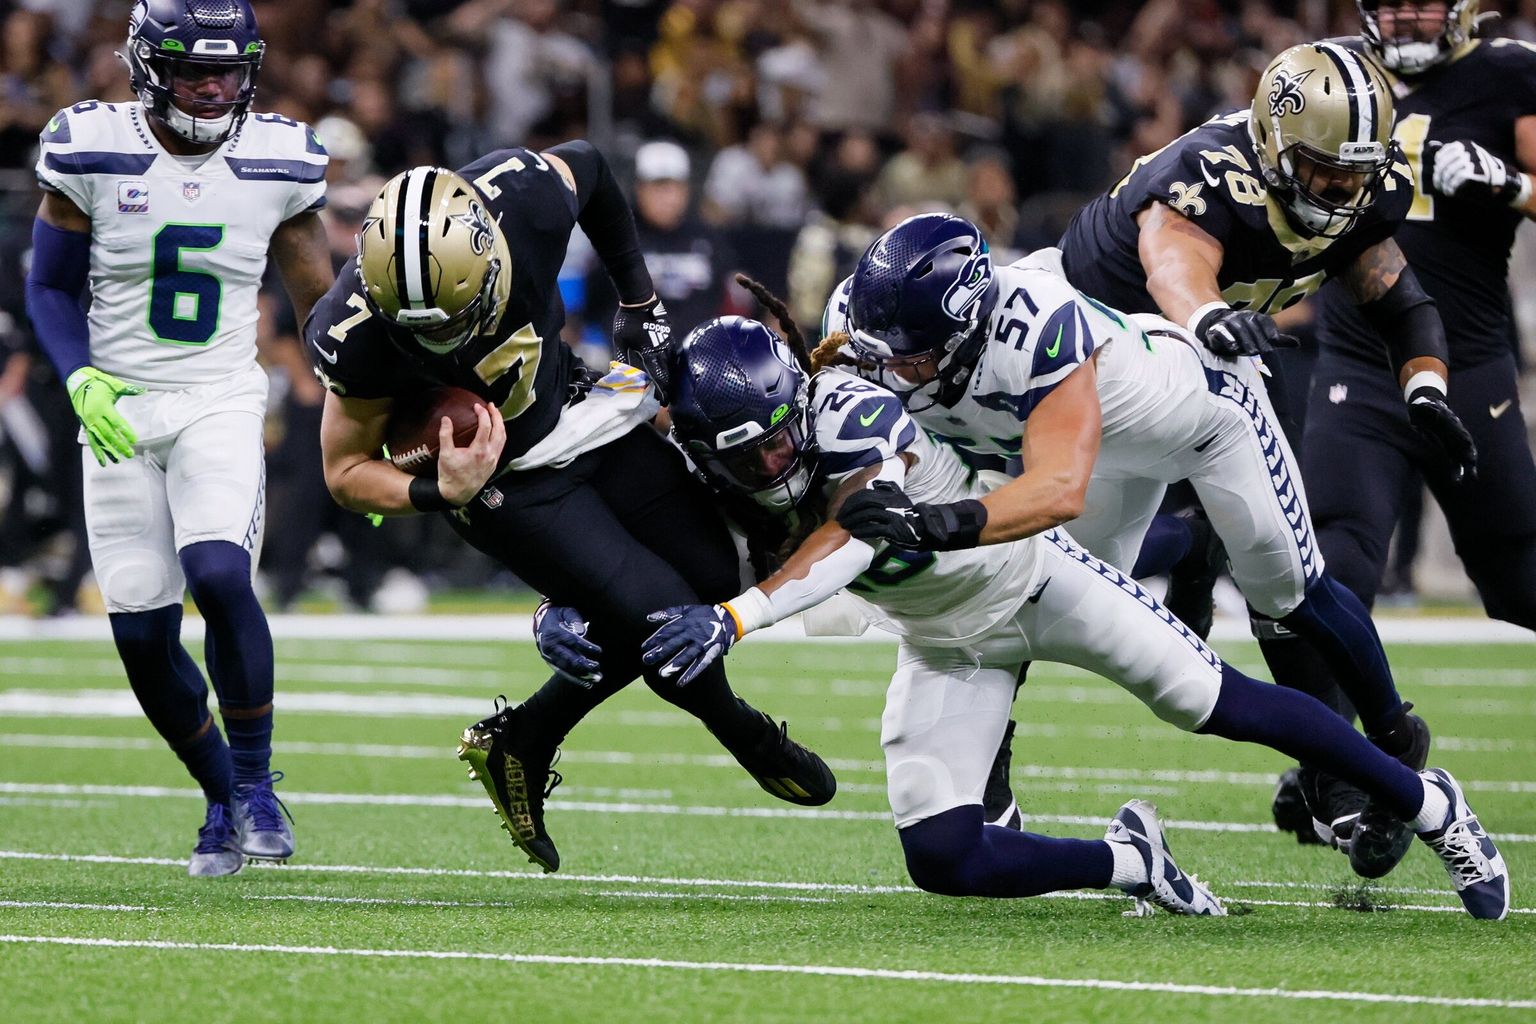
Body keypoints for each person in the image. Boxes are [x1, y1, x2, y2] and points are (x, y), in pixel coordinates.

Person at [622, 306, 1506, 919]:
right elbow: (636, 535)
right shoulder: (710, 477)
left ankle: (1430, 805)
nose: (777, 458)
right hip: (946, 646)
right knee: (942, 856)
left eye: (783, 432)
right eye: (752, 451)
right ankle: (1131, 862)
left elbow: (851, 538)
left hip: (1037, 581)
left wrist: (735, 617)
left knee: (1215, 703)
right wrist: (569, 609)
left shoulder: (845, 407)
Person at [303, 142, 835, 874]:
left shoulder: (522, 203)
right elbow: (344, 472)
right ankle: (743, 731)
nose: (443, 341)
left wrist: (638, 299)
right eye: (420, 330)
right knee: (662, 614)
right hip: (504, 483)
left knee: (713, 573)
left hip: (574, 407)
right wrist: (438, 491)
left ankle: (524, 736)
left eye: (456, 317)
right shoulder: (353, 329)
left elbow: (590, 166)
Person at [1053, 41, 1478, 875]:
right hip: (1087, 353)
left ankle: (1352, 767)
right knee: (1052, 571)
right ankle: (1194, 545)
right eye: (1327, 172)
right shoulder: (1211, 174)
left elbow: (1406, 307)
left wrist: (1426, 391)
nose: (1346, 192)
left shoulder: (1356, 189)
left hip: (1209, 361)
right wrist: (1208, 319)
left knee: (1283, 577)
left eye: (1359, 173)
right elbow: (1175, 263)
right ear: (1279, 147)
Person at [24, 0, 335, 875]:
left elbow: (320, 300)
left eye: (228, 70)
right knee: (140, 632)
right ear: (147, 66)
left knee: (218, 572)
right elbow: (48, 287)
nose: (213, 87)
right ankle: (220, 798)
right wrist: (80, 374)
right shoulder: (90, 144)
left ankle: (257, 782)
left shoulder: (280, 156)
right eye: (195, 70)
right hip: (118, 405)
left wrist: (373, 410)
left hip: (218, 395)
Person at [1276, 3, 1536, 862]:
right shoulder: (1330, 72)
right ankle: (1345, 770)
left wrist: (1511, 186)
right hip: (1358, 361)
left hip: (1471, 367)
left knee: (1517, 579)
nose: (1410, 14)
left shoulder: (1504, 73)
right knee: (1333, 563)